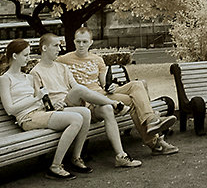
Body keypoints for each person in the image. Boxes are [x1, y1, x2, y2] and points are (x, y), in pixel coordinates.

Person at [57, 28, 178, 155]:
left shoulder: (98, 60)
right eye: (78, 41)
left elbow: (104, 83)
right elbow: (47, 68)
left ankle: (151, 120)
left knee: (137, 85)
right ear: (74, 42)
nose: (81, 45)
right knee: (132, 102)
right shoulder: (63, 60)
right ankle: (155, 142)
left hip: (102, 94)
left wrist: (111, 87)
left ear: (91, 42)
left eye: (85, 42)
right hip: (90, 100)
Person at [30, 33, 143, 169]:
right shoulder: (35, 72)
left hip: (75, 103)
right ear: (44, 48)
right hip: (59, 109)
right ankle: (114, 104)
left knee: (105, 109)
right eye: (55, 46)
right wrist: (53, 105)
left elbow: (74, 85)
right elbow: (39, 98)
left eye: (59, 45)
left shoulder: (62, 68)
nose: (59, 49)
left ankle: (121, 156)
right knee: (80, 90)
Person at [0, 38, 93, 180]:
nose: (28, 59)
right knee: (76, 119)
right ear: (15, 56)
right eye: (25, 55)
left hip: (40, 112)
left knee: (85, 112)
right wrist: (36, 99)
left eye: (29, 54)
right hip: (27, 118)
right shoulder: (6, 79)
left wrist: (54, 106)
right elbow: (10, 109)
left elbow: (40, 100)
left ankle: (76, 158)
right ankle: (55, 166)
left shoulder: (27, 77)